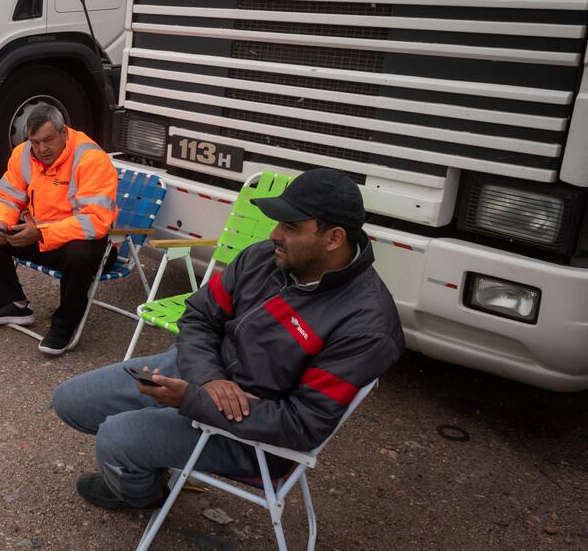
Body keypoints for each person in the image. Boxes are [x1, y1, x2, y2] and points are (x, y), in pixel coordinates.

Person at [52, 167, 404, 509]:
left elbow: (302, 425)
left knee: (117, 440)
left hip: (250, 435)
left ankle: (143, 497)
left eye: (291, 227)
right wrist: (208, 378)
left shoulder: (367, 324)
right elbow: (199, 315)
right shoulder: (265, 258)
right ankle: (152, 456)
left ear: (334, 238)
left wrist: (194, 401)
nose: (274, 235)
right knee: (69, 401)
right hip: (197, 372)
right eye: (278, 223)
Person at [0, 105, 118, 355]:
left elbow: (95, 221)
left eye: (48, 140)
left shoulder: (91, 158)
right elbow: (6, 196)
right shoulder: (23, 154)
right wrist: (0, 223)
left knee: (79, 253)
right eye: (34, 142)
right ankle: (12, 304)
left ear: (64, 133)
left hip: (88, 247)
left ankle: (64, 326)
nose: (41, 149)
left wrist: (40, 233)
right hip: (42, 239)